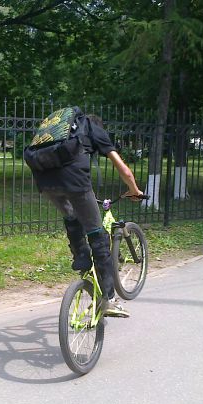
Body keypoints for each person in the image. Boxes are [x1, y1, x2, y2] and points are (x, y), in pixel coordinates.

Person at [26, 111, 144, 318]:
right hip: (74, 182)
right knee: (97, 234)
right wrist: (134, 189)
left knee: (72, 216)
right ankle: (109, 300)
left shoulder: (63, 130)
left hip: (45, 182)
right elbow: (123, 168)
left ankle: (81, 256)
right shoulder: (93, 127)